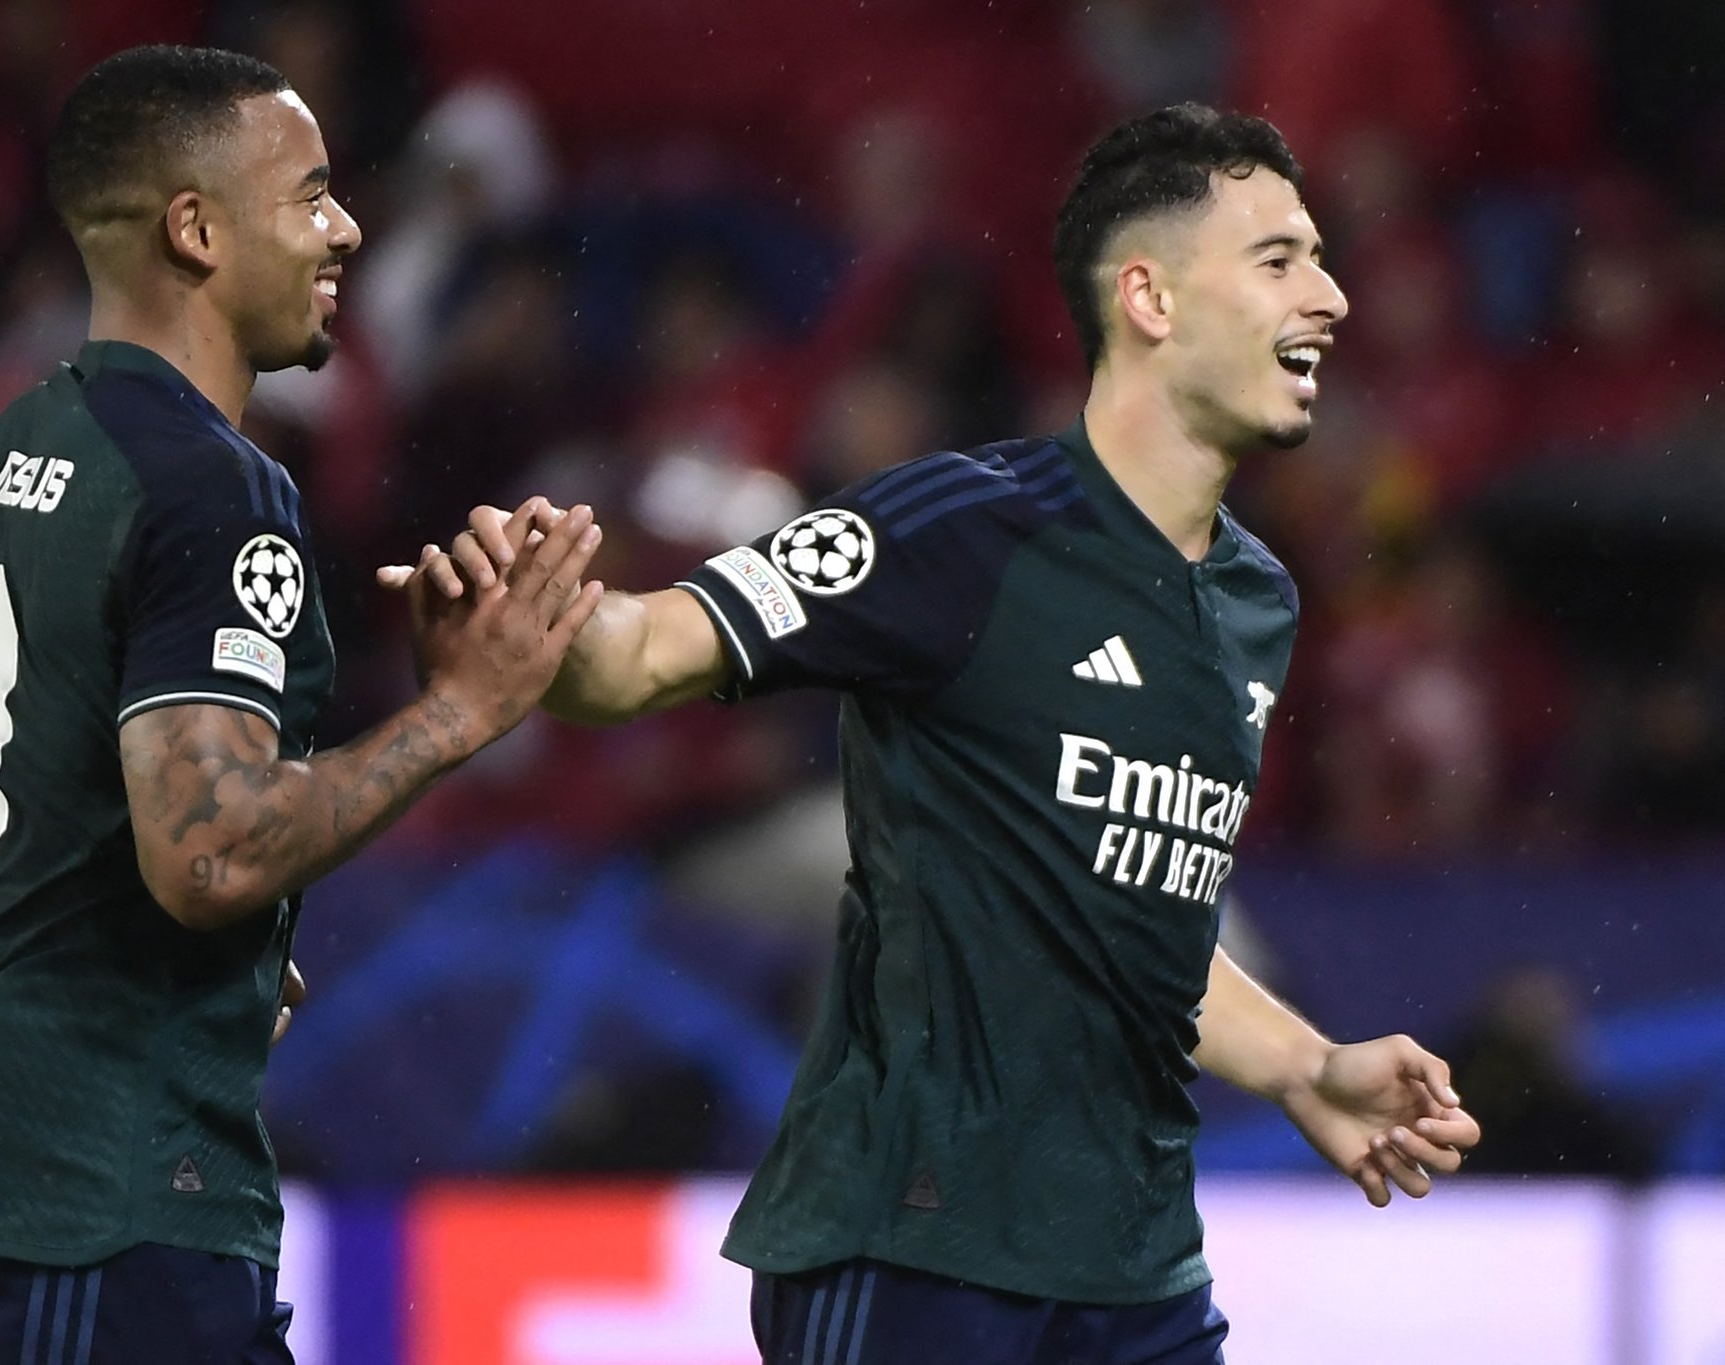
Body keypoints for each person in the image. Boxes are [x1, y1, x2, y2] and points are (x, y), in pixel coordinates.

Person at [392, 104, 1482, 1364]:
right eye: (1279, 259)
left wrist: (1302, 1067)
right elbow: (646, 652)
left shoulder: (1255, 602)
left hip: (1133, 1275)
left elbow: (1133, 927)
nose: (1330, 299)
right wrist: (531, 629)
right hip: (912, 1252)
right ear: (1149, 298)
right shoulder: (959, 530)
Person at [0, 45, 603, 1363]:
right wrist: (462, 708)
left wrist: (81, 914)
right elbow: (212, 852)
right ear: (197, 230)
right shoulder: (215, 489)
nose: (346, 229)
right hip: (101, 1209)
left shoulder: (6, 449)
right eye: (311, 195)